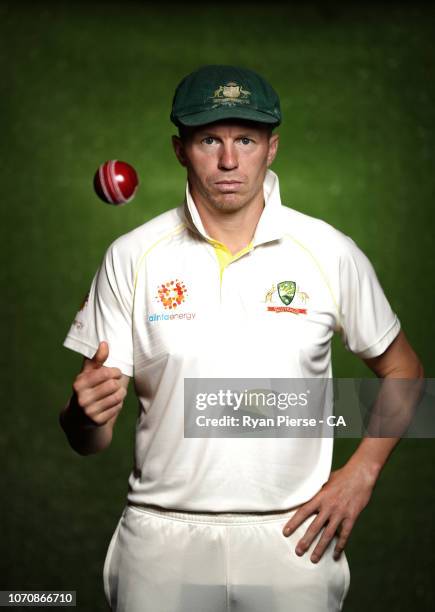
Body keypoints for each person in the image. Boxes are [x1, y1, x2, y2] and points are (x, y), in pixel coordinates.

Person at [59, 65, 423, 612]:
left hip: (291, 540)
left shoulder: (328, 252)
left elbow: (406, 371)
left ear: (271, 147)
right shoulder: (133, 256)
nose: (229, 161)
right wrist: (82, 415)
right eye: (210, 140)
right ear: (180, 149)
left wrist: (362, 473)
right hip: (162, 539)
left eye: (245, 140)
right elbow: (90, 440)